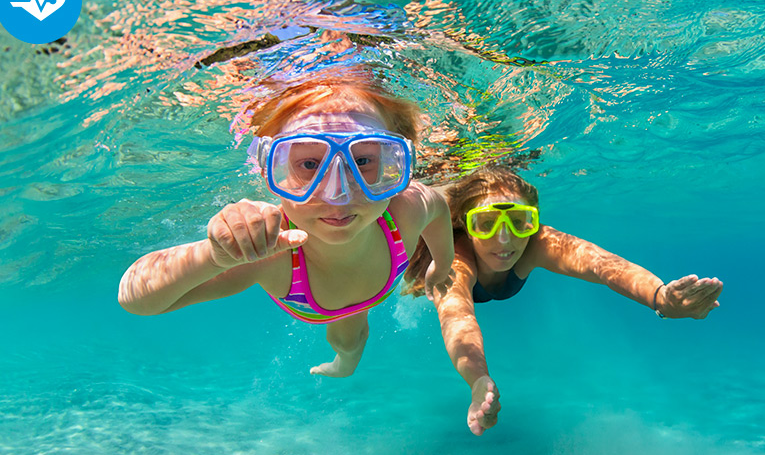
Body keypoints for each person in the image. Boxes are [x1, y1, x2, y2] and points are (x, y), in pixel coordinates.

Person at [119, 74, 455, 377]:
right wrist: (214, 256)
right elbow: (135, 299)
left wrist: (441, 265)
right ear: (271, 171)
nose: (338, 193)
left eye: (364, 161)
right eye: (309, 164)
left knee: (353, 339)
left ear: (395, 162)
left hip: (367, 297)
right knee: (348, 338)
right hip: (313, 301)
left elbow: (439, 212)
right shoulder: (269, 249)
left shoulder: (406, 207)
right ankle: (343, 364)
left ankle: (345, 365)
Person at [405, 168, 723, 436]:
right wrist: (477, 380)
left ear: (534, 222)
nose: (504, 239)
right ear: (467, 225)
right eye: (486, 223)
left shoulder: (538, 244)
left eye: (519, 222)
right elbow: (458, 318)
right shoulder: (455, 259)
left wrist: (661, 297)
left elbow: (601, 265)